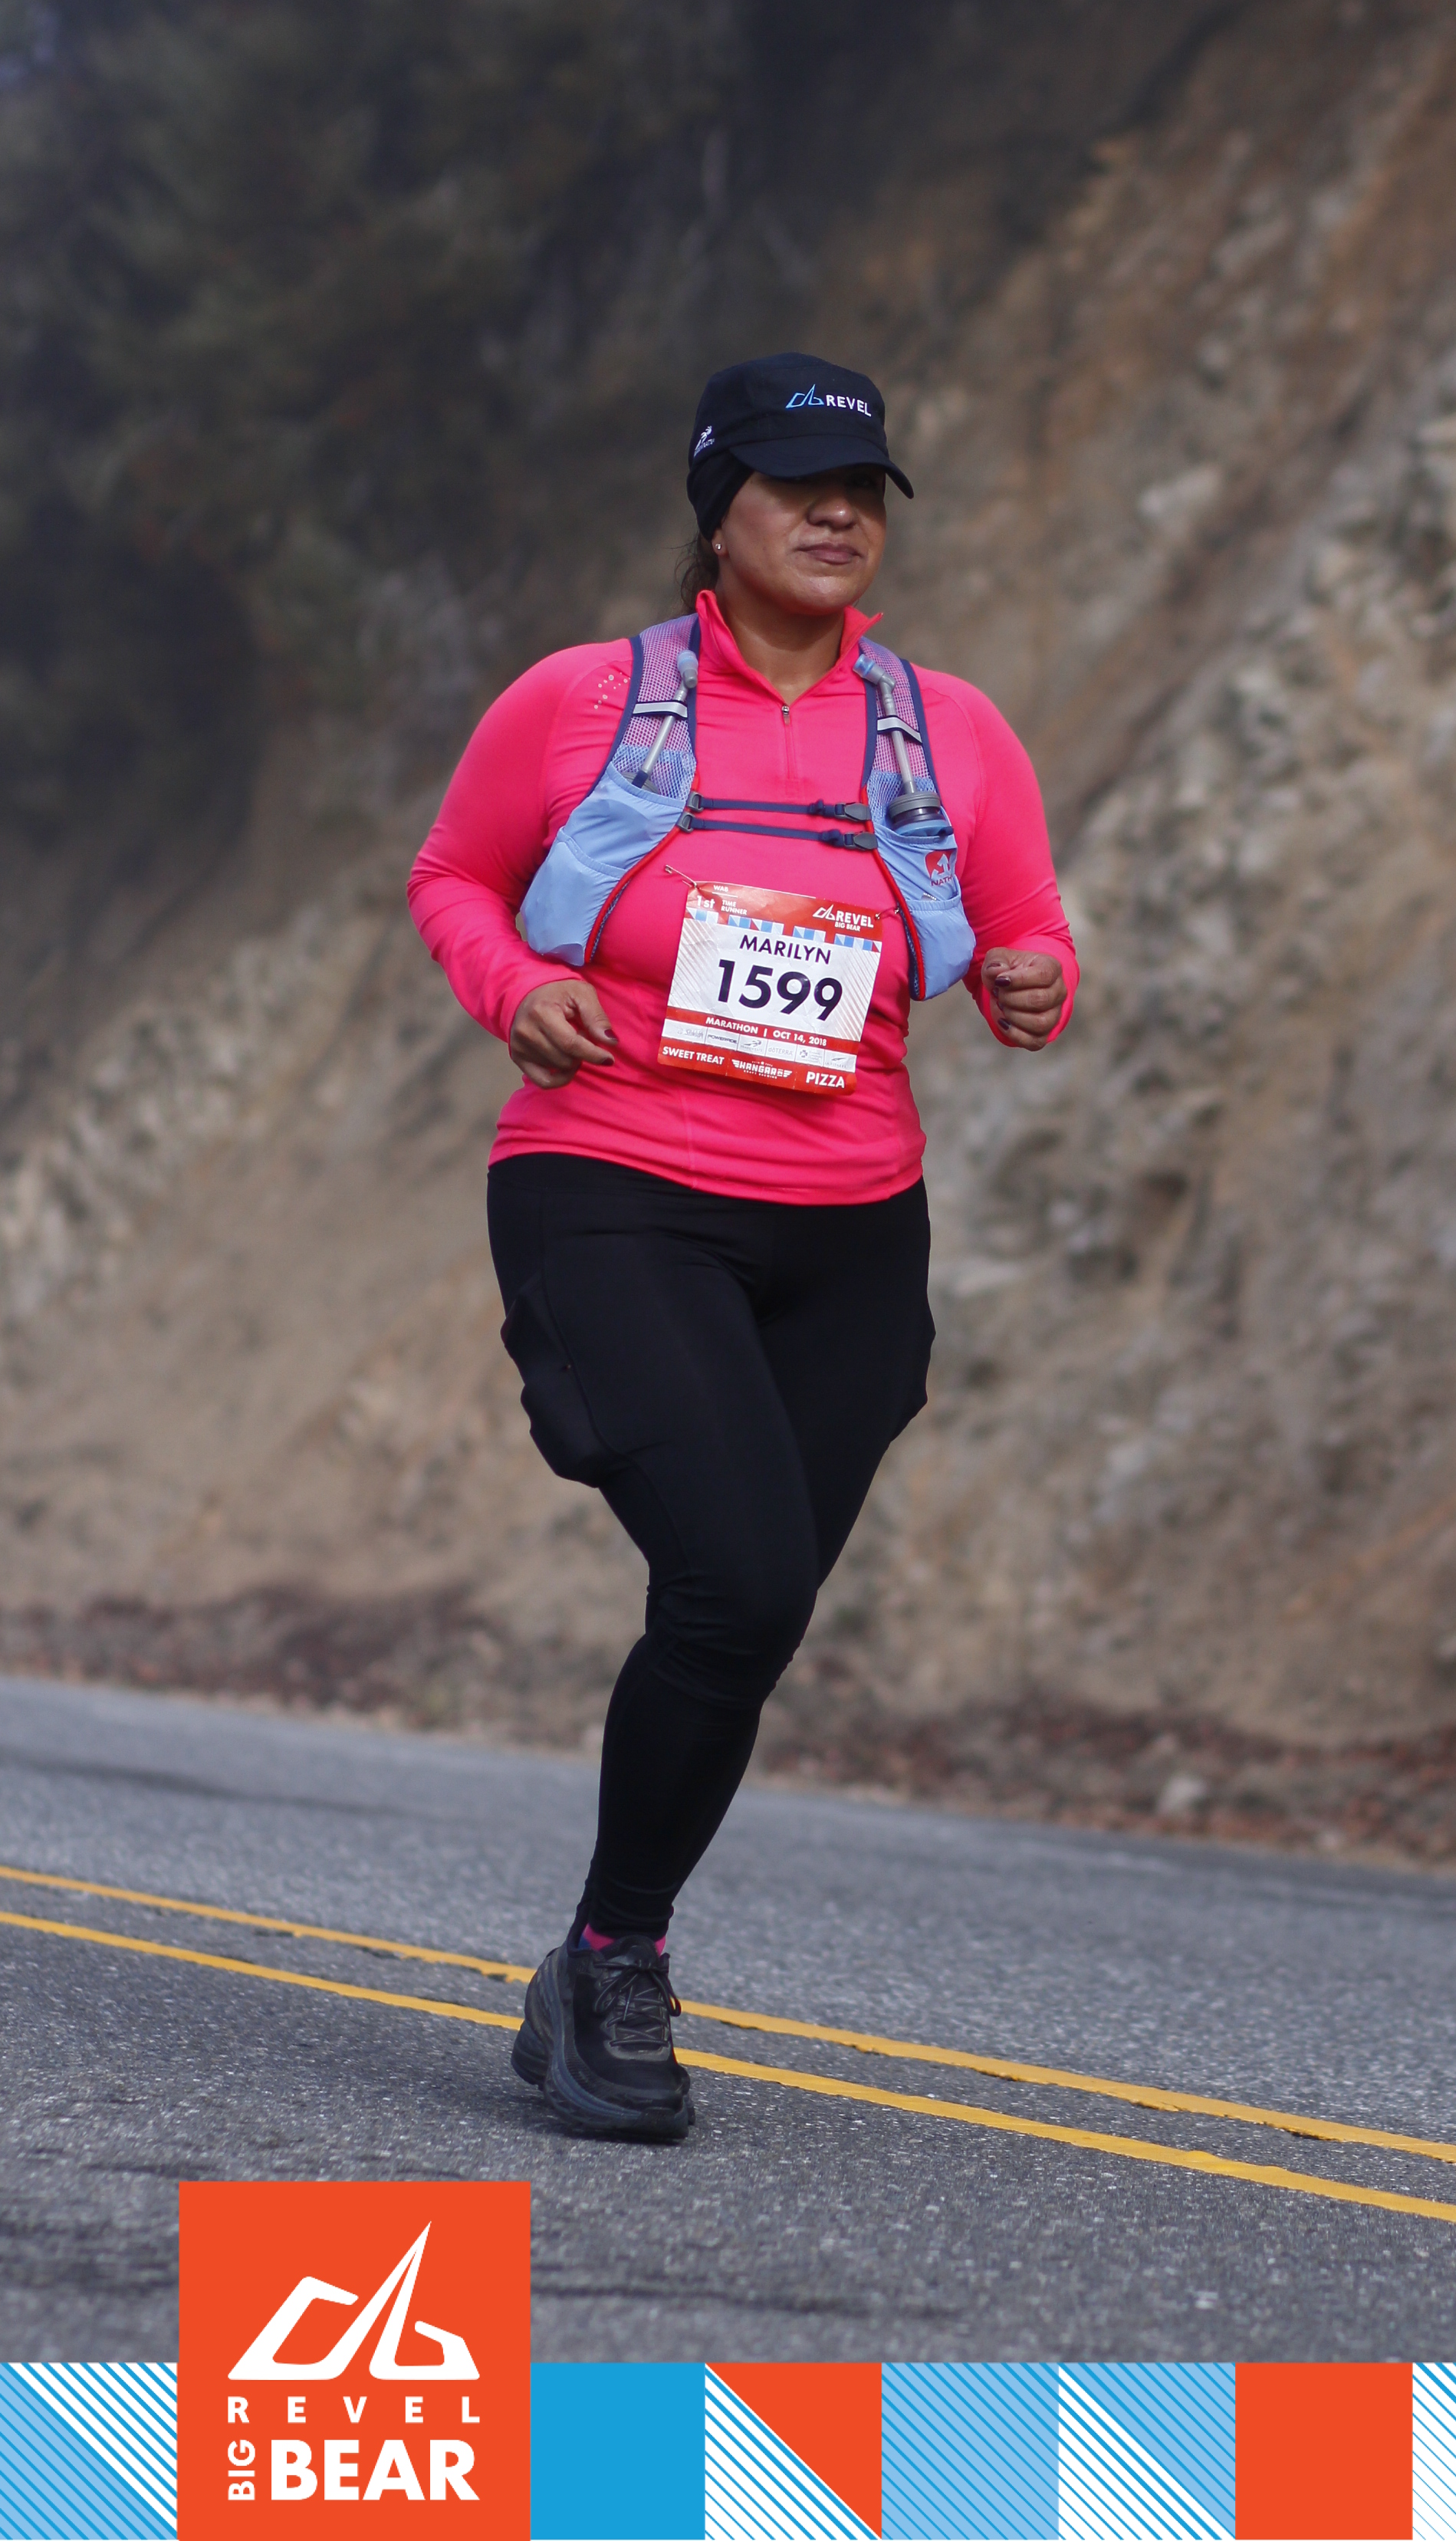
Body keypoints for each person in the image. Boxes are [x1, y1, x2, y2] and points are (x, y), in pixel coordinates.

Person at [408, 352, 1077, 2141]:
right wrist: (515, 984)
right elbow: (453, 877)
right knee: (744, 1583)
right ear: (720, 512)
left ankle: (589, 1956)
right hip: (614, 1183)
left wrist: (1034, 981)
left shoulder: (947, 730)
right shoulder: (581, 700)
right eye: (796, 485)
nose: (837, 512)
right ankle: (621, 1965)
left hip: (852, 1224)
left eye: (862, 487)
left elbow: (1024, 928)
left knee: (743, 1607)